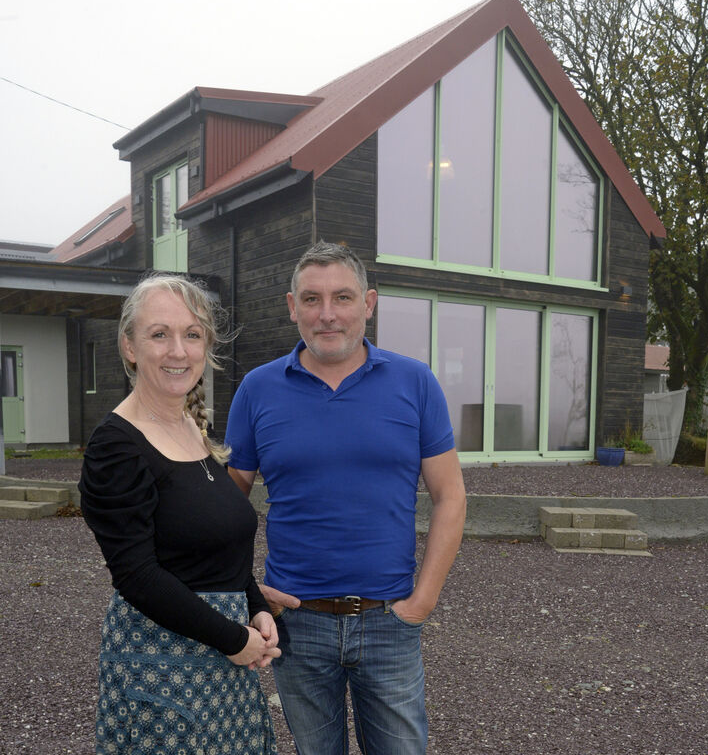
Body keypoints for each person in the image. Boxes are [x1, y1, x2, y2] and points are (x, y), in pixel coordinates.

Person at [225, 242, 466, 755]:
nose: (327, 314)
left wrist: (421, 603)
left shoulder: (415, 383)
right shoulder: (257, 389)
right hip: (297, 624)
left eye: (342, 298)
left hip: (389, 620)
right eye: (312, 299)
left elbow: (450, 497)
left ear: (369, 304)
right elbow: (224, 508)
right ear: (292, 306)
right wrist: (246, 592)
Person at [79, 274, 280, 755]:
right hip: (162, 667)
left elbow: (221, 542)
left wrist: (255, 605)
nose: (178, 351)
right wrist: (234, 639)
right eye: (159, 334)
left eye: (192, 334)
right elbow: (137, 575)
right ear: (129, 346)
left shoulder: (193, 425)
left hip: (225, 659)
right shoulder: (116, 446)